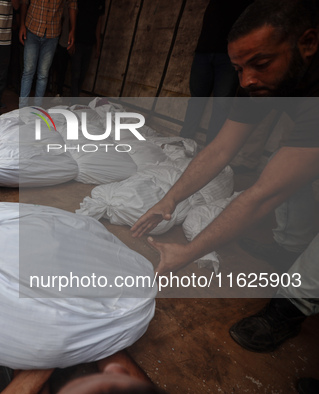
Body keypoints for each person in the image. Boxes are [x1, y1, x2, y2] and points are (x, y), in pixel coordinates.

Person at [130, 0, 319, 354]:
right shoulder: (257, 80)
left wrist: (187, 252)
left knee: (281, 181)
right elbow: (219, 149)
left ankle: (293, 305)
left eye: (260, 64)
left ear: (308, 44)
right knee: (284, 165)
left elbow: (261, 195)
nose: (247, 79)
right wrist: (169, 200)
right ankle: (288, 248)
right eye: (237, 68)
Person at [179, 0, 253, 143]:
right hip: (204, 51)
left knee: (222, 103)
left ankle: (211, 145)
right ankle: (184, 139)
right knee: (197, 99)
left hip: (229, 57)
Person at [19, 0, 77, 103]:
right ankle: (22, 109)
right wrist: (22, 25)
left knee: (43, 74)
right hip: (32, 28)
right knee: (28, 71)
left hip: (52, 33)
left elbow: (72, 4)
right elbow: (24, 1)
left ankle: (36, 111)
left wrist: (72, 30)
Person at [69, 0, 105, 97]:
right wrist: (72, 40)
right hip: (78, 40)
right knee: (75, 73)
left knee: (82, 74)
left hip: (89, 42)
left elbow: (99, 22)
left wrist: (98, 45)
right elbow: (73, 15)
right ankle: (74, 102)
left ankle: (75, 98)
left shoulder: (100, 3)